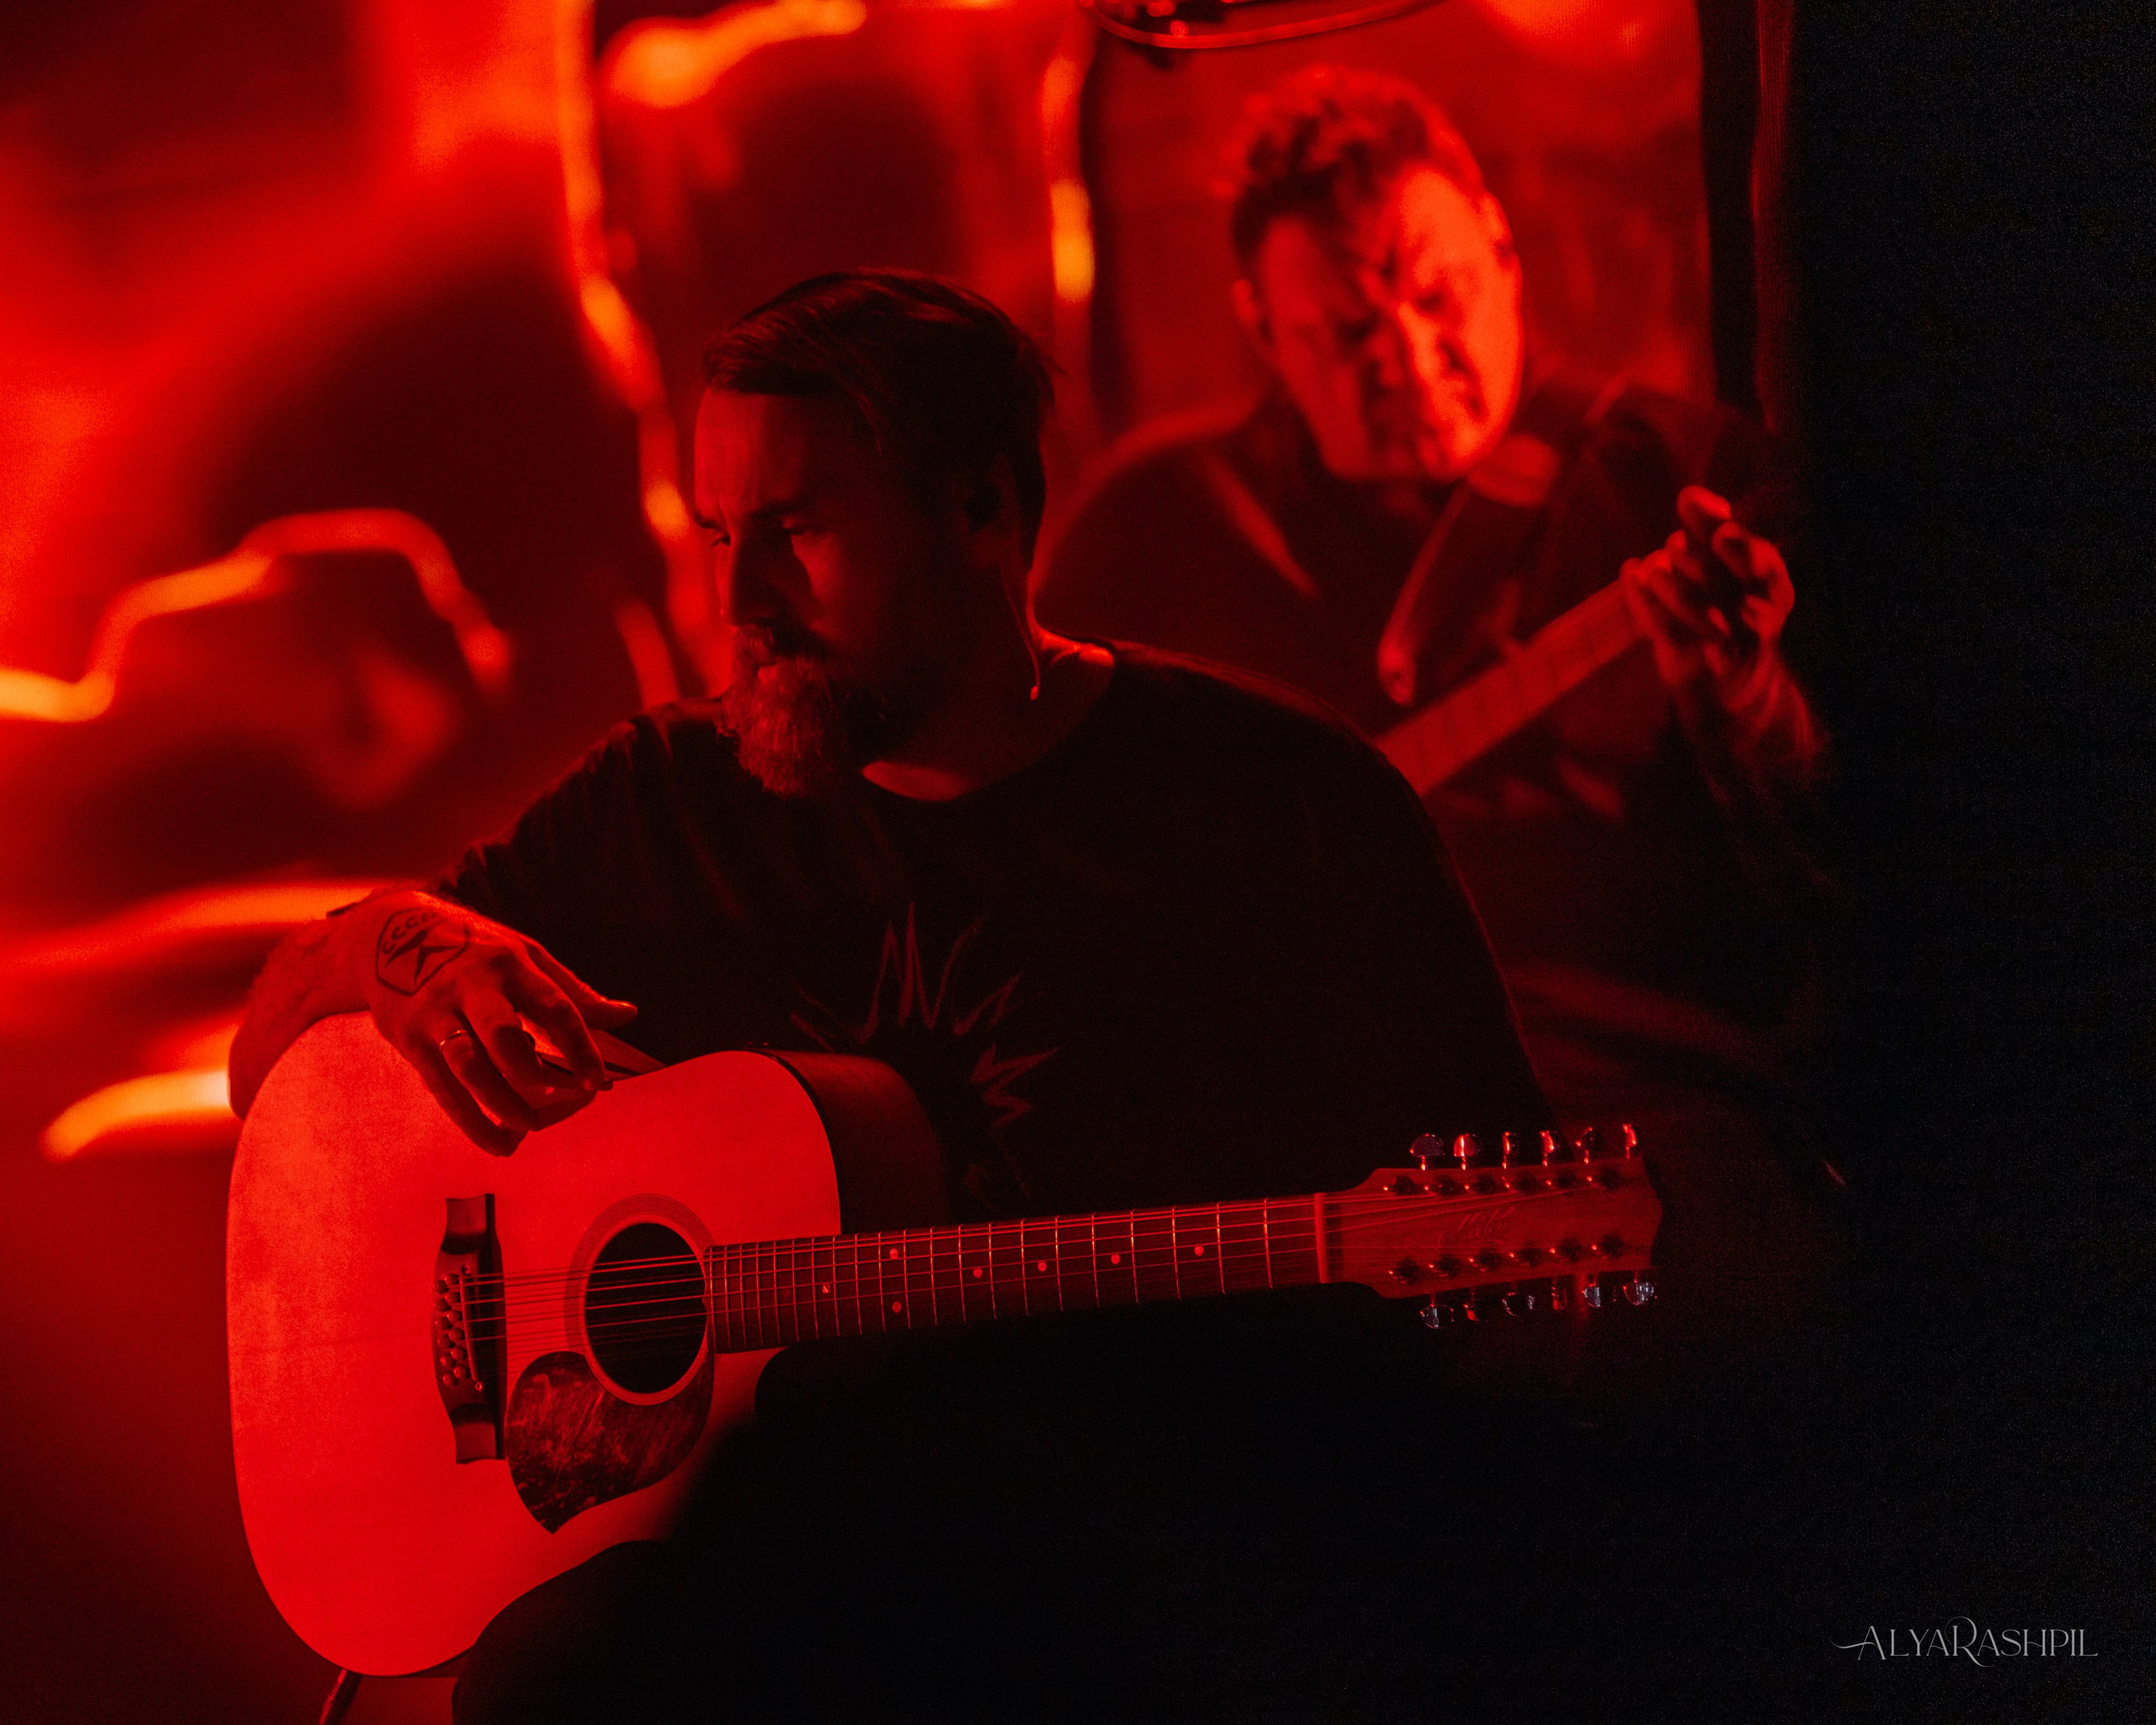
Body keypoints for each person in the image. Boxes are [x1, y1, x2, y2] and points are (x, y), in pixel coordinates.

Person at [230, 270, 1558, 1719]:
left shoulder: (1284, 808)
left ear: (982, 509)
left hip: (1142, 1577)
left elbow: (1507, 1291)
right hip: (769, 1587)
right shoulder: (661, 806)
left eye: (795, 531)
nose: (739, 602)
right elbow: (270, 1061)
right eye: (720, 536)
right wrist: (405, 949)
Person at [1036, 67, 1844, 1402]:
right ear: (1262, 330)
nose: (1409, 357)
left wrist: (1745, 696)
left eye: (1436, 294)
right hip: (1276, 1137)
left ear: (1505, 258)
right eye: (1347, 329)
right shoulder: (1155, 533)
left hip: (1617, 1114)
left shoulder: (1688, 483)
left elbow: (1854, 855)